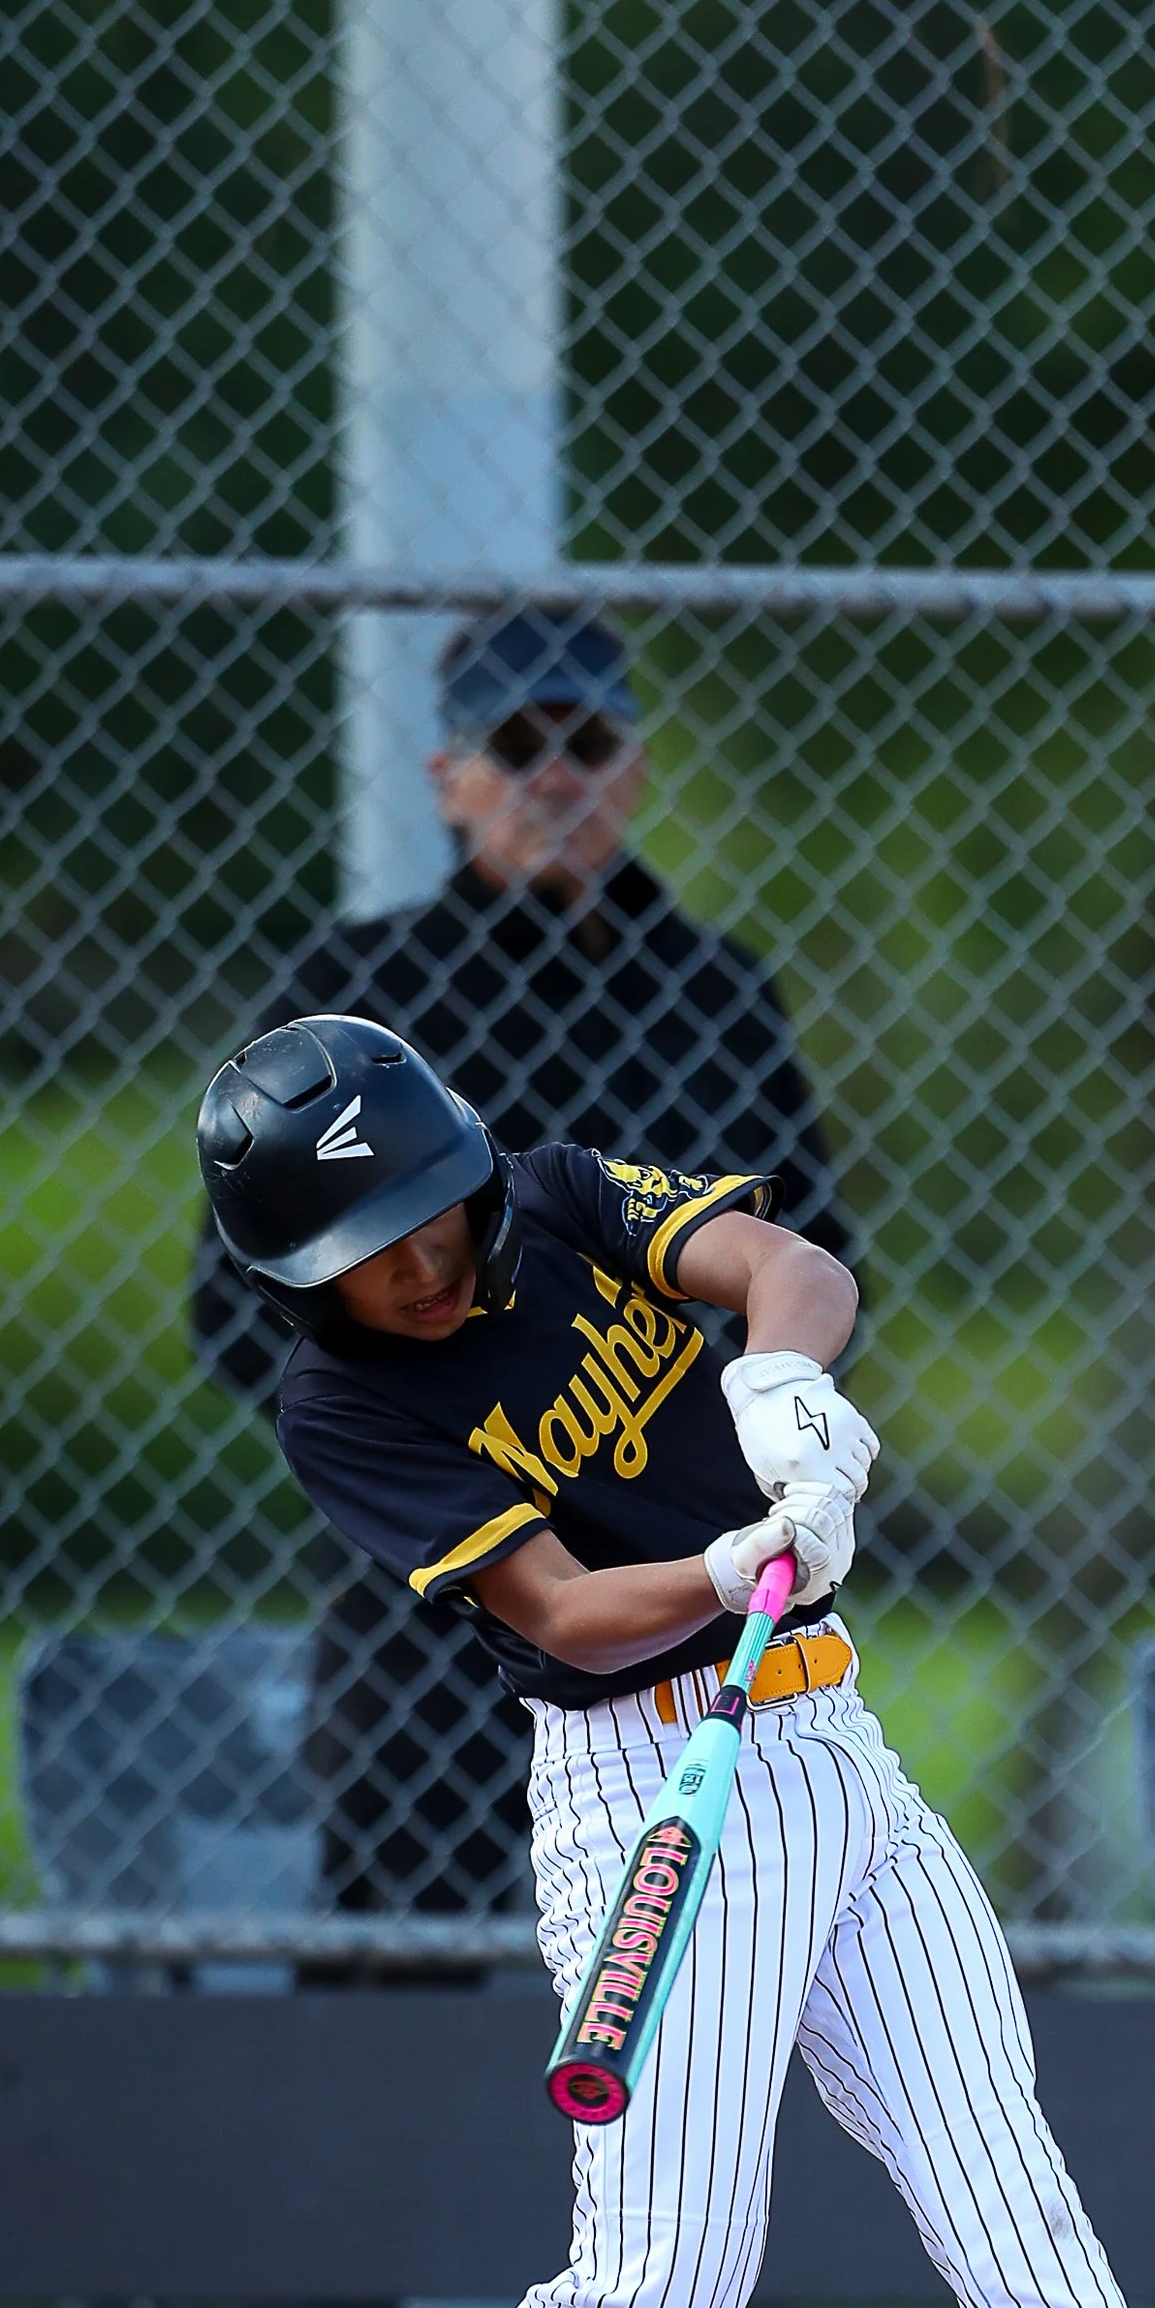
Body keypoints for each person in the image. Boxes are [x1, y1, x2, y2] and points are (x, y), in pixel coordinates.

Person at [192, 1011, 1155, 2308]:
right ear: (307, 1277)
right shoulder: (345, 1405)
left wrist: (783, 1389)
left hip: (829, 1749)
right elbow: (563, 1611)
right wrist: (723, 1563)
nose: (421, 1267)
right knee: (667, 2279)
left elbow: (785, 1262)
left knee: (1008, 2200)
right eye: (370, 1258)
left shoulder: (551, 1192)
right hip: (645, 1792)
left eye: (430, 1223)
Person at [193, 602, 848, 1925]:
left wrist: (734, 1424)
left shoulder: (715, 988)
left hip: (687, 1569)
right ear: (451, 777)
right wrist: (456, 1432)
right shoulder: (358, 997)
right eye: (519, 739)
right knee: (408, 1939)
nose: (559, 773)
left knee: (732, 1939)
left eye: (590, 737)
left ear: (638, 766)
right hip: (446, 1599)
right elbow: (231, 1304)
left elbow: (815, 1246)